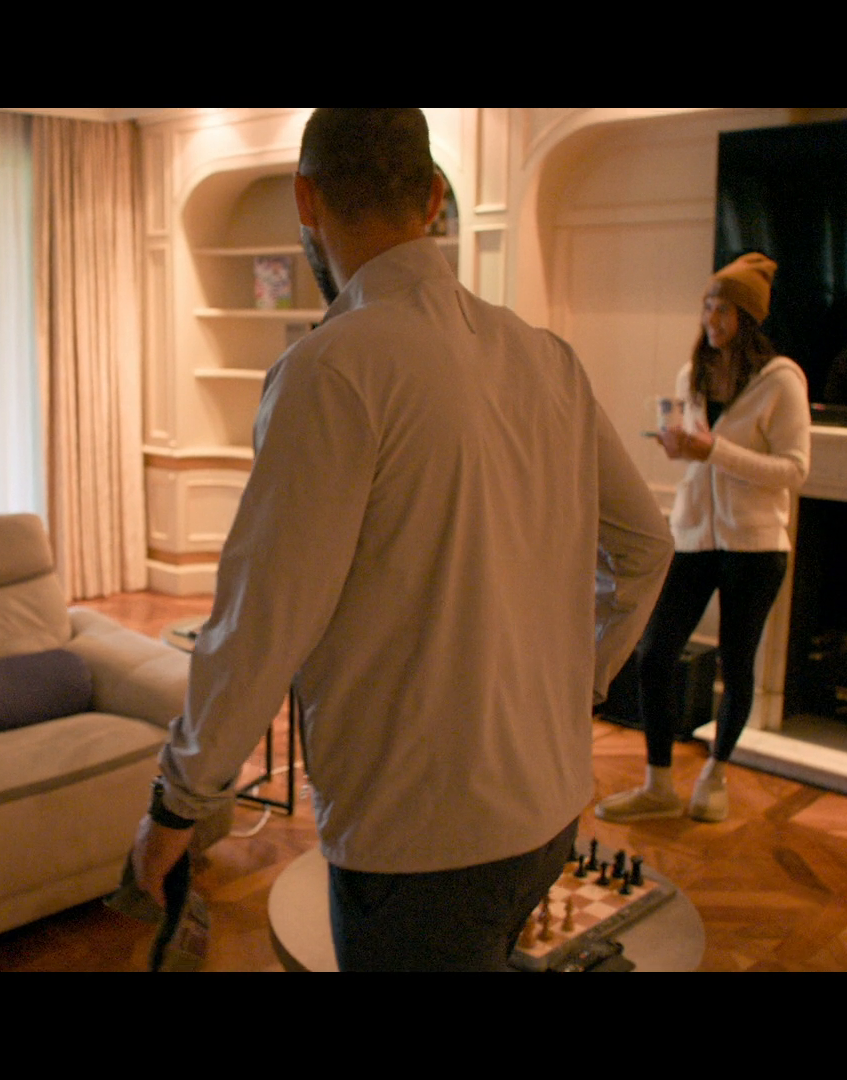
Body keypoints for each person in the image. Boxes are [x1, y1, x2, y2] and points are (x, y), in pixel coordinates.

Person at [129, 109, 673, 971]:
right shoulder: (546, 358)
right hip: (549, 807)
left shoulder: (331, 369)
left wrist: (177, 805)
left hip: (422, 840)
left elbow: (261, 622)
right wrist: (578, 684)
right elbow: (645, 549)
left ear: (305, 199)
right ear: (432, 199)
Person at [595, 253, 810, 825]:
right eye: (707, 305)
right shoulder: (691, 374)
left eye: (723, 308)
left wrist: (713, 450)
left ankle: (715, 773)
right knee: (653, 654)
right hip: (692, 538)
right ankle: (658, 783)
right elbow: (698, 455)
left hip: (755, 547)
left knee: (736, 665)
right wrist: (682, 449)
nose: (711, 317)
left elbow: (794, 471)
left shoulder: (781, 382)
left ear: (748, 317)